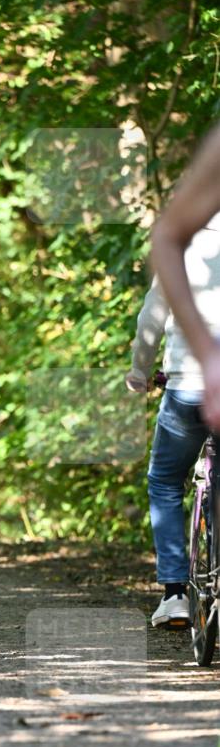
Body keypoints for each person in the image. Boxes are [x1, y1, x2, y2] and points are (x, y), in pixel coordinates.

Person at [127, 214, 220, 628]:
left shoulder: (179, 246)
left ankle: (175, 595)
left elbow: (151, 320)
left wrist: (139, 371)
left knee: (164, 481)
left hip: (187, 386)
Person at [150, 121, 220, 431]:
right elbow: (166, 237)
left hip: (183, 383)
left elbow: (148, 319)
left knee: (166, 466)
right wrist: (208, 355)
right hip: (189, 382)